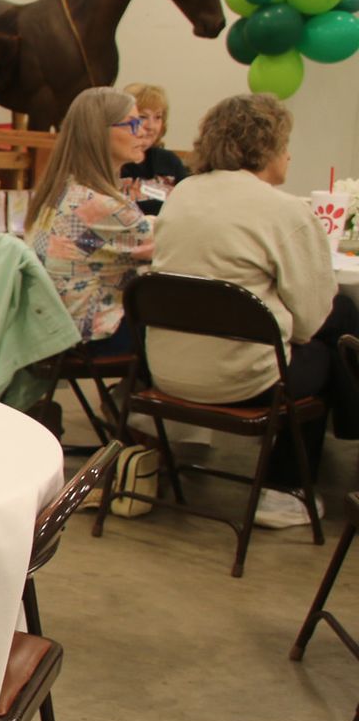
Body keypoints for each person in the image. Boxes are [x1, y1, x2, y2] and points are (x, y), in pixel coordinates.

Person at [148, 92, 359, 529]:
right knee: (336, 333)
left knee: (335, 325)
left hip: (165, 368)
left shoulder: (183, 193)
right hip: (242, 381)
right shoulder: (284, 211)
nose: (290, 154)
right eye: (286, 143)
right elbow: (310, 321)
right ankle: (285, 489)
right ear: (266, 146)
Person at [26, 85, 155, 354]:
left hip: (52, 328)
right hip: (86, 334)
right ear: (100, 133)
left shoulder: (63, 190)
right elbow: (167, 243)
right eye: (133, 123)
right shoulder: (98, 205)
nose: (143, 131)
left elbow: (137, 231)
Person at [118, 82, 188, 214]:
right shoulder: (113, 161)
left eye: (158, 117)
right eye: (143, 117)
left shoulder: (170, 161)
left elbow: (186, 207)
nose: (151, 126)